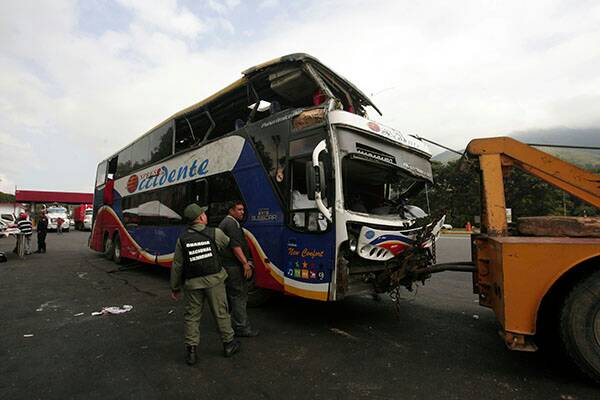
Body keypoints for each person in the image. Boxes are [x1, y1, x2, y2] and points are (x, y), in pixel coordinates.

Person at [170, 204, 240, 365]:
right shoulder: (215, 233)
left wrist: (175, 287)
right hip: (214, 280)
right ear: (201, 217)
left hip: (193, 283)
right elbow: (227, 245)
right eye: (204, 214)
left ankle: (191, 352)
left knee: (192, 317)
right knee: (221, 312)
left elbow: (177, 265)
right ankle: (229, 344)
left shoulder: (182, 239)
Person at [218, 201, 259, 337]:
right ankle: (242, 328)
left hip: (229, 266)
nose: (242, 212)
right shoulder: (230, 223)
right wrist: (245, 263)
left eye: (243, 209)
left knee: (231, 296)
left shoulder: (229, 222)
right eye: (239, 209)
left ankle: (228, 324)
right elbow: (235, 246)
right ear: (231, 211)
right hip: (233, 267)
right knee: (239, 296)